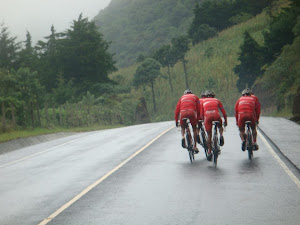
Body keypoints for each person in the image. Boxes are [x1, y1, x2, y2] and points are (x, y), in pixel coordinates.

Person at [201, 90, 227, 161]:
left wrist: (203, 120)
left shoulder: (203, 101)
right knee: (219, 125)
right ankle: (221, 135)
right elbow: (224, 113)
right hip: (216, 115)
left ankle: (209, 152)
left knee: (209, 135)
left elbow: (201, 114)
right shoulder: (217, 100)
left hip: (207, 117)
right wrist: (225, 122)